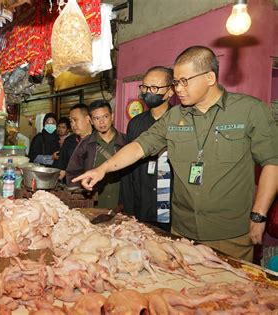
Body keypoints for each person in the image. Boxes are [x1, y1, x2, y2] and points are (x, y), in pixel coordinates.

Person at [73, 46, 278, 262]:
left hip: (230, 233)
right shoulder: (174, 117)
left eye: (184, 81)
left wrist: (259, 214)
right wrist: (103, 168)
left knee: (232, 294)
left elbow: (272, 163)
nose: (178, 88)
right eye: (176, 82)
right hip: (183, 233)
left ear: (209, 77)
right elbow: (140, 146)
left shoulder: (249, 110)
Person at [121, 66, 175, 232]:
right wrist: (128, 208)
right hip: (142, 202)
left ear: (170, 91)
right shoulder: (136, 124)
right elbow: (127, 169)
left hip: (171, 206)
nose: (147, 92)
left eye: (154, 88)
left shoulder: (181, 121)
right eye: (144, 87)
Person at [66, 100, 126, 210]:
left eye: (105, 117)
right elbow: (72, 173)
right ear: (91, 121)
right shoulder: (85, 144)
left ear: (112, 117)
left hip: (121, 206)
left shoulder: (126, 142)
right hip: (93, 206)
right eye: (97, 118)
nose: (102, 122)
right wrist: (82, 197)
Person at [56, 104, 93, 180]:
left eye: (75, 120)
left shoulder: (98, 139)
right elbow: (62, 169)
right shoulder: (69, 141)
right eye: (71, 121)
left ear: (87, 119)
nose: (72, 124)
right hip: (73, 187)